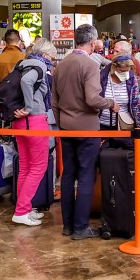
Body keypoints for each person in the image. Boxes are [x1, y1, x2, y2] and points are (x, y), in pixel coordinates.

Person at [52, 24, 119, 240]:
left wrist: (63, 121)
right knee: (86, 176)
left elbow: (54, 102)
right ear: (92, 43)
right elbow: (92, 99)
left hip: (66, 127)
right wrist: (110, 103)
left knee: (67, 175)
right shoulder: (89, 65)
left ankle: (67, 225)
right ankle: (80, 226)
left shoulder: (60, 65)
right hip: (87, 128)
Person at [10, 37, 57, 226]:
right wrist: (30, 107)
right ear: (45, 54)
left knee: (26, 166)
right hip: (34, 120)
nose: (52, 61)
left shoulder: (22, 64)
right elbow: (27, 83)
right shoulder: (38, 66)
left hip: (19, 121)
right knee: (38, 166)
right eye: (52, 57)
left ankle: (24, 208)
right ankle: (22, 210)